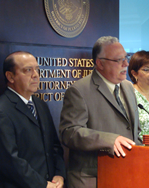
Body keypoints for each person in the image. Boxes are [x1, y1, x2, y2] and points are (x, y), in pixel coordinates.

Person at [59, 36, 142, 188]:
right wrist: (109, 140)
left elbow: (134, 130)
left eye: (126, 57)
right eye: (118, 60)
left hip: (125, 173)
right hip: (93, 178)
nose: (126, 64)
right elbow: (69, 133)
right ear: (100, 63)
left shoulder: (128, 87)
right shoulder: (79, 91)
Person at [0, 51, 66, 188]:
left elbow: (54, 146)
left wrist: (59, 174)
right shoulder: (1, 110)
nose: (35, 75)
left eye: (37, 69)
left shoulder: (40, 105)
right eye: (28, 70)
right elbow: (9, 160)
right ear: (10, 76)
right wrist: (41, 184)